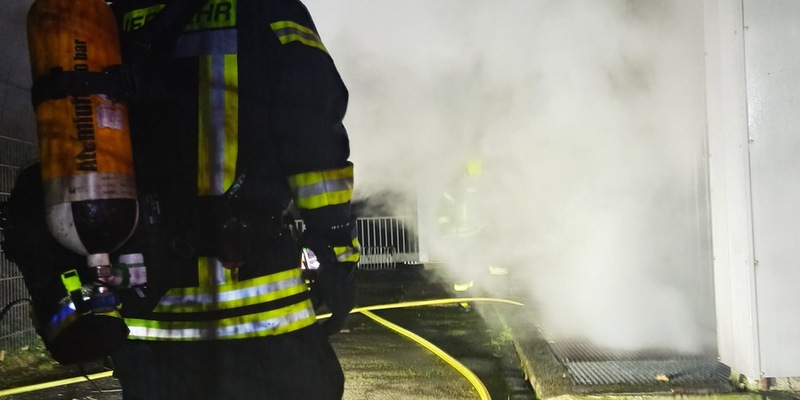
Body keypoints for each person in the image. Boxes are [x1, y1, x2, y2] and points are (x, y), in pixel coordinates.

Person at [106, 0, 360, 398]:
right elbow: (313, 136)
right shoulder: (271, 10)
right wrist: (338, 245)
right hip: (264, 325)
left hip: (149, 325)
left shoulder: (114, 17)